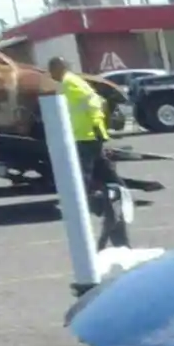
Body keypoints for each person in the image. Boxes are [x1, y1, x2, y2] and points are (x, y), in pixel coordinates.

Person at [46, 58, 127, 246]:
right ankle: (120, 195)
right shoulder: (71, 82)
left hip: (85, 137)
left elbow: (93, 104)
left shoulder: (69, 83)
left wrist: (97, 126)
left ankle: (87, 208)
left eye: (51, 70)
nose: (50, 75)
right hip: (86, 136)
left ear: (58, 68)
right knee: (105, 175)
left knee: (83, 177)